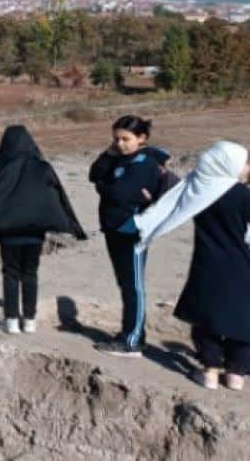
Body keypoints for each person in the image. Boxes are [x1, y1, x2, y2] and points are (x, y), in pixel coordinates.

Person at [132, 141, 250, 389]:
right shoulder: (243, 195)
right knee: (242, 319)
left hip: (206, 264)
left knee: (206, 318)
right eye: (245, 163)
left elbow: (173, 204)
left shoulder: (200, 191)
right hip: (241, 265)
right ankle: (236, 374)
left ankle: (210, 371)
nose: (247, 168)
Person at [0, 125, 87, 334]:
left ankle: (11, 321)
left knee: (10, 274)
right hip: (35, 232)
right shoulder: (43, 167)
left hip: (8, 233)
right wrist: (73, 226)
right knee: (30, 274)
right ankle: (29, 320)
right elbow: (59, 195)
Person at [88, 115, 167, 357]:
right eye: (116, 139)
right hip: (114, 228)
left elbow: (121, 194)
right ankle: (130, 332)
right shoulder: (120, 158)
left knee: (134, 286)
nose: (120, 144)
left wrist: (104, 186)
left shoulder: (145, 162)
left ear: (142, 138)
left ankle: (133, 341)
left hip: (132, 230)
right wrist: (109, 154)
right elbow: (94, 174)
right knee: (125, 284)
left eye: (125, 139)